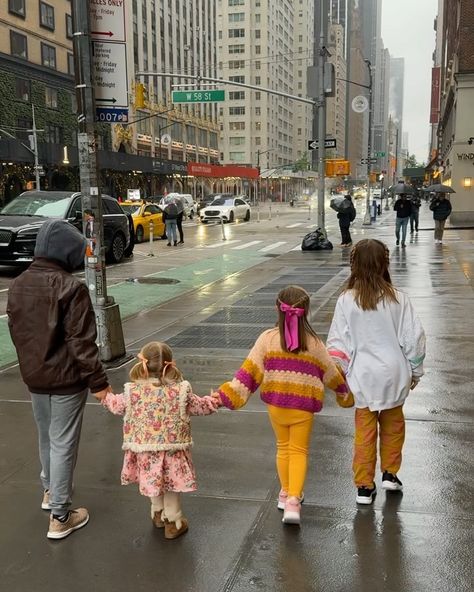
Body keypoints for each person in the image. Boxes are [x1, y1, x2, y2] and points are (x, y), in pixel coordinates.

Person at [7, 220, 110, 540]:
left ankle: (50, 492)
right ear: (66, 252)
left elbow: (17, 331)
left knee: (47, 438)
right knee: (64, 442)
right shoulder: (71, 287)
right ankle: (61, 515)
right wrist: (99, 383)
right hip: (67, 378)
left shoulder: (19, 284)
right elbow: (81, 342)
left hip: (34, 375)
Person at [214, 286, 351, 526]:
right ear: (306, 311)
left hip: (276, 405)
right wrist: (344, 393)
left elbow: (249, 373)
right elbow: (331, 374)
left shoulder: (267, 339)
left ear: (277, 309)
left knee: (283, 447)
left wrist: (226, 396)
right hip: (303, 408)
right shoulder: (315, 344)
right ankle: (294, 502)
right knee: (299, 451)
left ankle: (285, 492)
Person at [326, 239, 426, 506]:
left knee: (364, 434)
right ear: (385, 264)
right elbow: (414, 339)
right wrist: (415, 371)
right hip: (395, 374)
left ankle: (364, 487)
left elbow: (338, 344)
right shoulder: (399, 299)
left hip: (363, 377)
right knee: (394, 427)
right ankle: (390, 474)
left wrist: (340, 378)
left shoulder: (347, 301)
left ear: (354, 265)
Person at [94, 342, 219, 540]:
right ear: (171, 365)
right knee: (171, 484)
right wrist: (216, 400)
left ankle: (157, 513)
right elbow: (201, 407)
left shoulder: (132, 391)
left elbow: (116, 406)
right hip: (173, 451)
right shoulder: (181, 390)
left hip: (145, 451)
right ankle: (173, 521)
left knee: (154, 480)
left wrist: (104, 396)